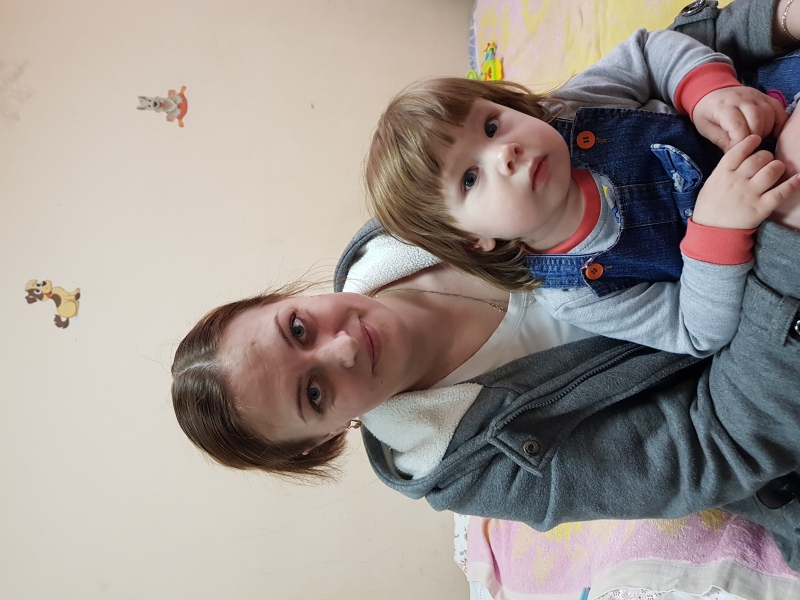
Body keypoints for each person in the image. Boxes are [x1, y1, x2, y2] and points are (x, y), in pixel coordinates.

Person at [171, 0, 800, 569]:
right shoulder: (481, 465)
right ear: (325, 439)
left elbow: (613, 91)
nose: (342, 348)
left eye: (298, 328)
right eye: (314, 393)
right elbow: (720, 442)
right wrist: (784, 232)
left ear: (290, 298)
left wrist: (769, 24)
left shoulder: (433, 190)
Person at [365, 18, 800, 357]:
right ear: (473, 240)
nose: (504, 152)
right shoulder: (575, 296)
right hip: (780, 240)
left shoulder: (570, 109)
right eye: (470, 178)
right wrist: (717, 233)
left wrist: (706, 91)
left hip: (769, 104)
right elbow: (694, 331)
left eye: (491, 125)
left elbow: (647, 52)